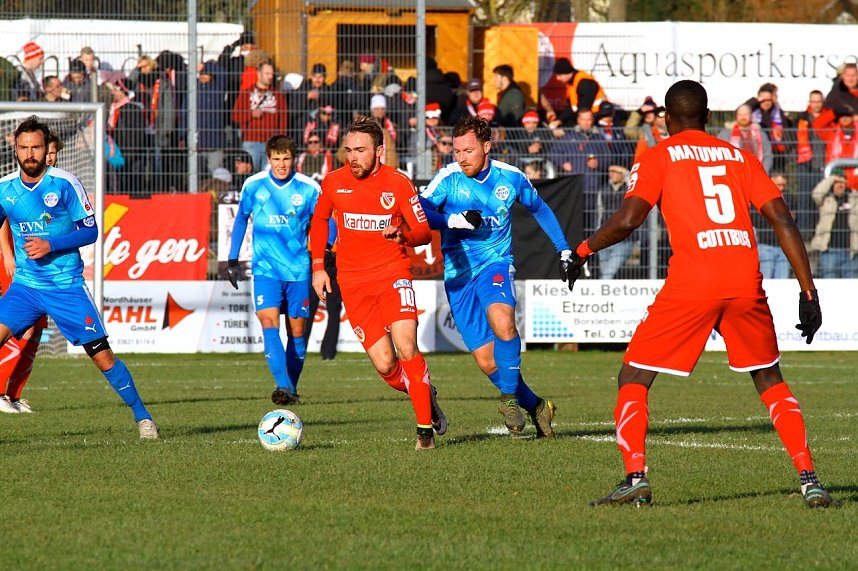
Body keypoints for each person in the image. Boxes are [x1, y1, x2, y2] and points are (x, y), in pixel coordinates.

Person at [564, 80, 832, 508]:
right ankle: (810, 479)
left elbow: (630, 218)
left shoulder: (658, 155)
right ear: (709, 117)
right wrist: (808, 291)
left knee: (633, 376)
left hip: (693, 281)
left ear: (666, 120)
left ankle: (635, 476)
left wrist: (582, 250)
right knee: (769, 379)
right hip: (745, 279)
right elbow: (781, 217)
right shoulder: (741, 156)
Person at [0, 116, 158, 438]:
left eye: (36, 147)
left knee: (102, 357)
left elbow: (91, 230)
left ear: (47, 150)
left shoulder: (65, 184)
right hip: (26, 288)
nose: (30, 153)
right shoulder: (5, 189)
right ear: (15, 150)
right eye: (24, 148)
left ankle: (143, 418)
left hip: (66, 287)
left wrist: (50, 244)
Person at [419, 115, 571, 438]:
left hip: (495, 265)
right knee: (488, 363)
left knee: (503, 322)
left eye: (468, 151)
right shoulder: (448, 177)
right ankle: (538, 406)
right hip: (458, 276)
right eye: (456, 151)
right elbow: (419, 207)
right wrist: (453, 220)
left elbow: (540, 208)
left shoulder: (510, 178)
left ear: (486, 147)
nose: (461, 158)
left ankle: (508, 400)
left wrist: (564, 250)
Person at [309, 116, 446, 450]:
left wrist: (404, 234)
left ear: (379, 151)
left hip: (392, 274)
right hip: (353, 284)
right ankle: (425, 396)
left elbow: (424, 231)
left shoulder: (399, 183)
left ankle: (424, 431)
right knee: (386, 364)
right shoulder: (333, 182)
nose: (352, 157)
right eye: (348, 150)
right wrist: (318, 266)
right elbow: (320, 219)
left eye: (360, 150)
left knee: (407, 346)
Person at [227, 135, 320, 404]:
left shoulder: (308, 188)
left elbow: (326, 220)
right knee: (268, 323)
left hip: (298, 270)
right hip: (265, 269)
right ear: (268, 159)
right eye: (276, 159)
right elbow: (242, 218)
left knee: (297, 332)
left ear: (294, 159)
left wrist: (326, 250)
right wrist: (233, 258)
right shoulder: (254, 185)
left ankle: (290, 388)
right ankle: (283, 387)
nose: (281, 165)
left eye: (286, 159)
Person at [0, 131, 64, 414]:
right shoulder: (15, 186)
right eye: (45, 151)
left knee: (35, 330)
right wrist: (7, 254)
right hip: (15, 263)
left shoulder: (55, 185)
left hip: (40, 268)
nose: (48, 157)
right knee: (14, 328)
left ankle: (13, 393)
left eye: (52, 153)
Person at [232, 61, 289, 172]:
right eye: (267, 74)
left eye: (271, 74)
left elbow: (283, 121)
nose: (270, 77)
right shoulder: (247, 93)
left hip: (271, 144)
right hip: (251, 142)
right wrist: (251, 114)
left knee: (269, 178)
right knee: (251, 177)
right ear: (259, 74)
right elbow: (235, 116)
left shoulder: (278, 95)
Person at [809, 168, 858, 278]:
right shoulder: (826, 199)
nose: (840, 185)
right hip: (829, 251)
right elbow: (816, 194)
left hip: (850, 252)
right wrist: (831, 179)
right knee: (829, 286)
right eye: (836, 182)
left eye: (842, 182)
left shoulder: (853, 197)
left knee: (852, 288)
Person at [754, 173, 792, 279]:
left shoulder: (789, 198)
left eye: (783, 185)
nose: (781, 188)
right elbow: (755, 219)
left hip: (784, 246)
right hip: (766, 246)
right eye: (778, 185)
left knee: (783, 281)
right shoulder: (761, 197)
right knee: (766, 281)